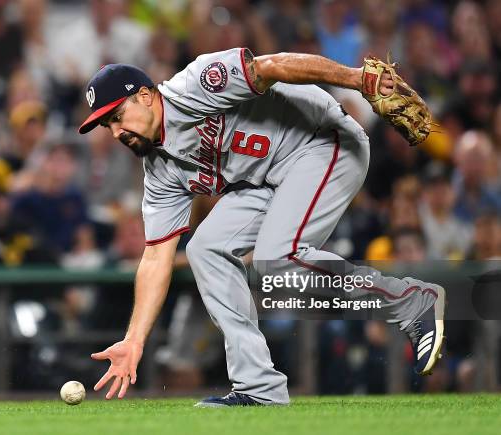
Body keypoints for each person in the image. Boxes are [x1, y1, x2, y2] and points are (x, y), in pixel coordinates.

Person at [79, 48, 446, 406]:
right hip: (267, 179)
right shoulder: (160, 174)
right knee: (205, 249)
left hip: (322, 140)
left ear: (145, 96)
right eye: (106, 124)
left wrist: (355, 79)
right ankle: (258, 386)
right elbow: (156, 258)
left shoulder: (196, 85)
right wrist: (134, 339)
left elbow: (274, 66)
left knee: (277, 259)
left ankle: (410, 301)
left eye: (117, 115)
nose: (114, 131)